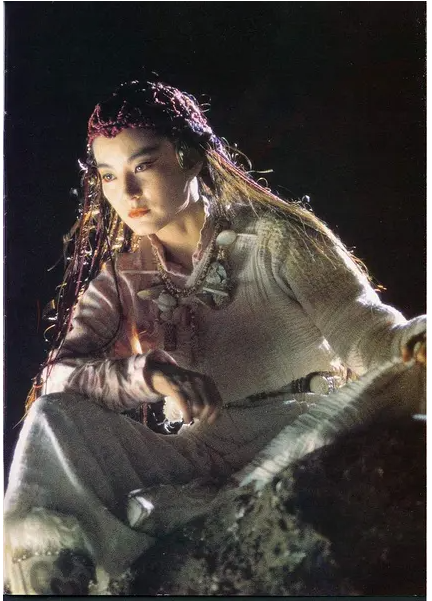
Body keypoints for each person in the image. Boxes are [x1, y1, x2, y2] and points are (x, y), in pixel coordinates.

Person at [4, 80, 426, 595]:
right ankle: (56, 581)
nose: (127, 193)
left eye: (143, 166)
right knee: (53, 419)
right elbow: (59, 380)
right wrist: (148, 373)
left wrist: (413, 342)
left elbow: (369, 332)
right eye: (109, 176)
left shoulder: (276, 238)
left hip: (300, 423)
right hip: (201, 449)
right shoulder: (123, 278)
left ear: (191, 157)